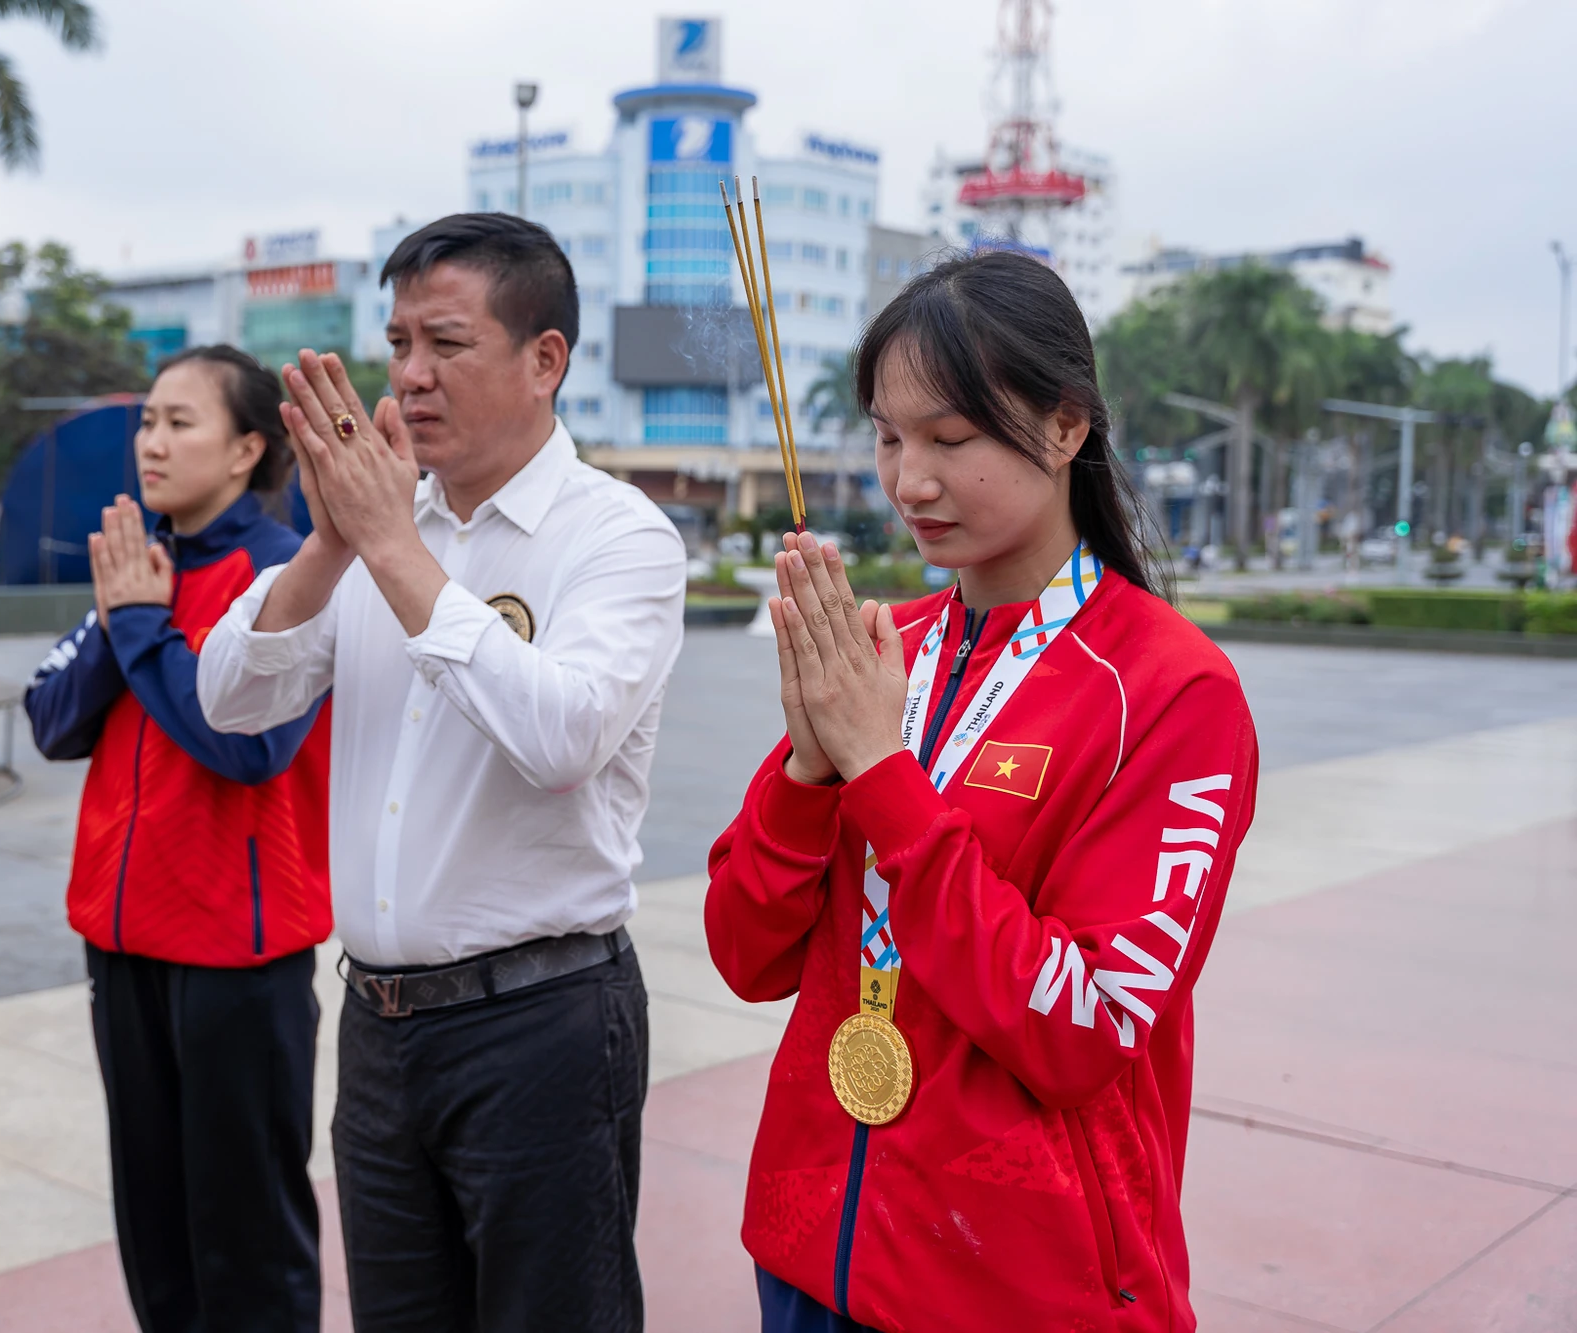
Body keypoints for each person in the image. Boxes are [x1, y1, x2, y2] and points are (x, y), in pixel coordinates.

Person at [705, 251, 1259, 1333]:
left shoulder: (1168, 689)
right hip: (810, 1254)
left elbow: (1085, 1028)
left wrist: (881, 774)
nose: (909, 480)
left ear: (1064, 427)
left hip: (1019, 1289)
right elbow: (743, 952)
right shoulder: (882, 650)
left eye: (950, 439)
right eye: (887, 436)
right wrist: (809, 772)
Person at [196, 213, 686, 1333]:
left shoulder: (618, 538)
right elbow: (232, 698)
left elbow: (561, 737)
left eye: (446, 344)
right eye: (397, 343)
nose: (410, 376)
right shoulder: (372, 535)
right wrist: (330, 542)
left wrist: (392, 549)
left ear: (544, 359)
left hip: (542, 1023)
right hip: (376, 1024)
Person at [24, 346, 332, 1333]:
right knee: (152, 1230)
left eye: (179, 422)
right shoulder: (138, 566)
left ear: (248, 447)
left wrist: (147, 633)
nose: (151, 442)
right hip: (122, 948)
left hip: (237, 960)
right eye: (147, 421)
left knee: (247, 1241)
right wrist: (129, 622)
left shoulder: (285, 568)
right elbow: (50, 720)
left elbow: (246, 744)